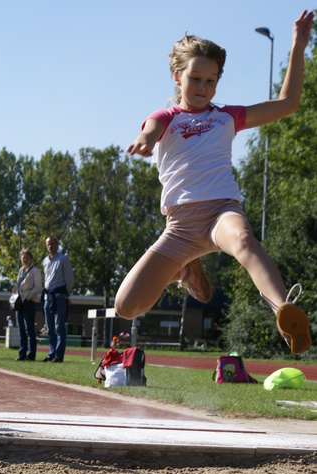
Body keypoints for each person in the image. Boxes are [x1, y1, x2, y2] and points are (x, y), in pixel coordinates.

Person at [115, 10, 313, 356]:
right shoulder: (168, 117)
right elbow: (151, 128)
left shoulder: (226, 117)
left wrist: (298, 45)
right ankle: (187, 266)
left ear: (218, 81)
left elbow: (288, 104)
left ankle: (284, 310)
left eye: (211, 80)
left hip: (222, 212)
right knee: (126, 306)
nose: (203, 88)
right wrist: (145, 140)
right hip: (180, 228)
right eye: (195, 79)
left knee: (244, 240)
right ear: (177, 77)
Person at [41, 236, 74, 363]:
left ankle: (59, 355)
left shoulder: (63, 259)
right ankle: (51, 353)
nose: (50, 246)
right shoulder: (45, 261)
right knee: (49, 328)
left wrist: (67, 294)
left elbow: (69, 278)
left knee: (59, 327)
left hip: (59, 296)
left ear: (57, 244)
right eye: (48, 244)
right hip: (48, 297)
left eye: (53, 243)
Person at [13, 249, 42, 361]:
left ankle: (31, 355)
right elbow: (18, 285)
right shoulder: (21, 270)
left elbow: (38, 287)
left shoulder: (35, 271)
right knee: (20, 329)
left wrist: (28, 295)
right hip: (20, 302)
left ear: (31, 258)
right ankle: (22, 354)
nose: (25, 259)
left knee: (29, 329)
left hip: (29, 302)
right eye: (23, 257)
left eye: (27, 257)